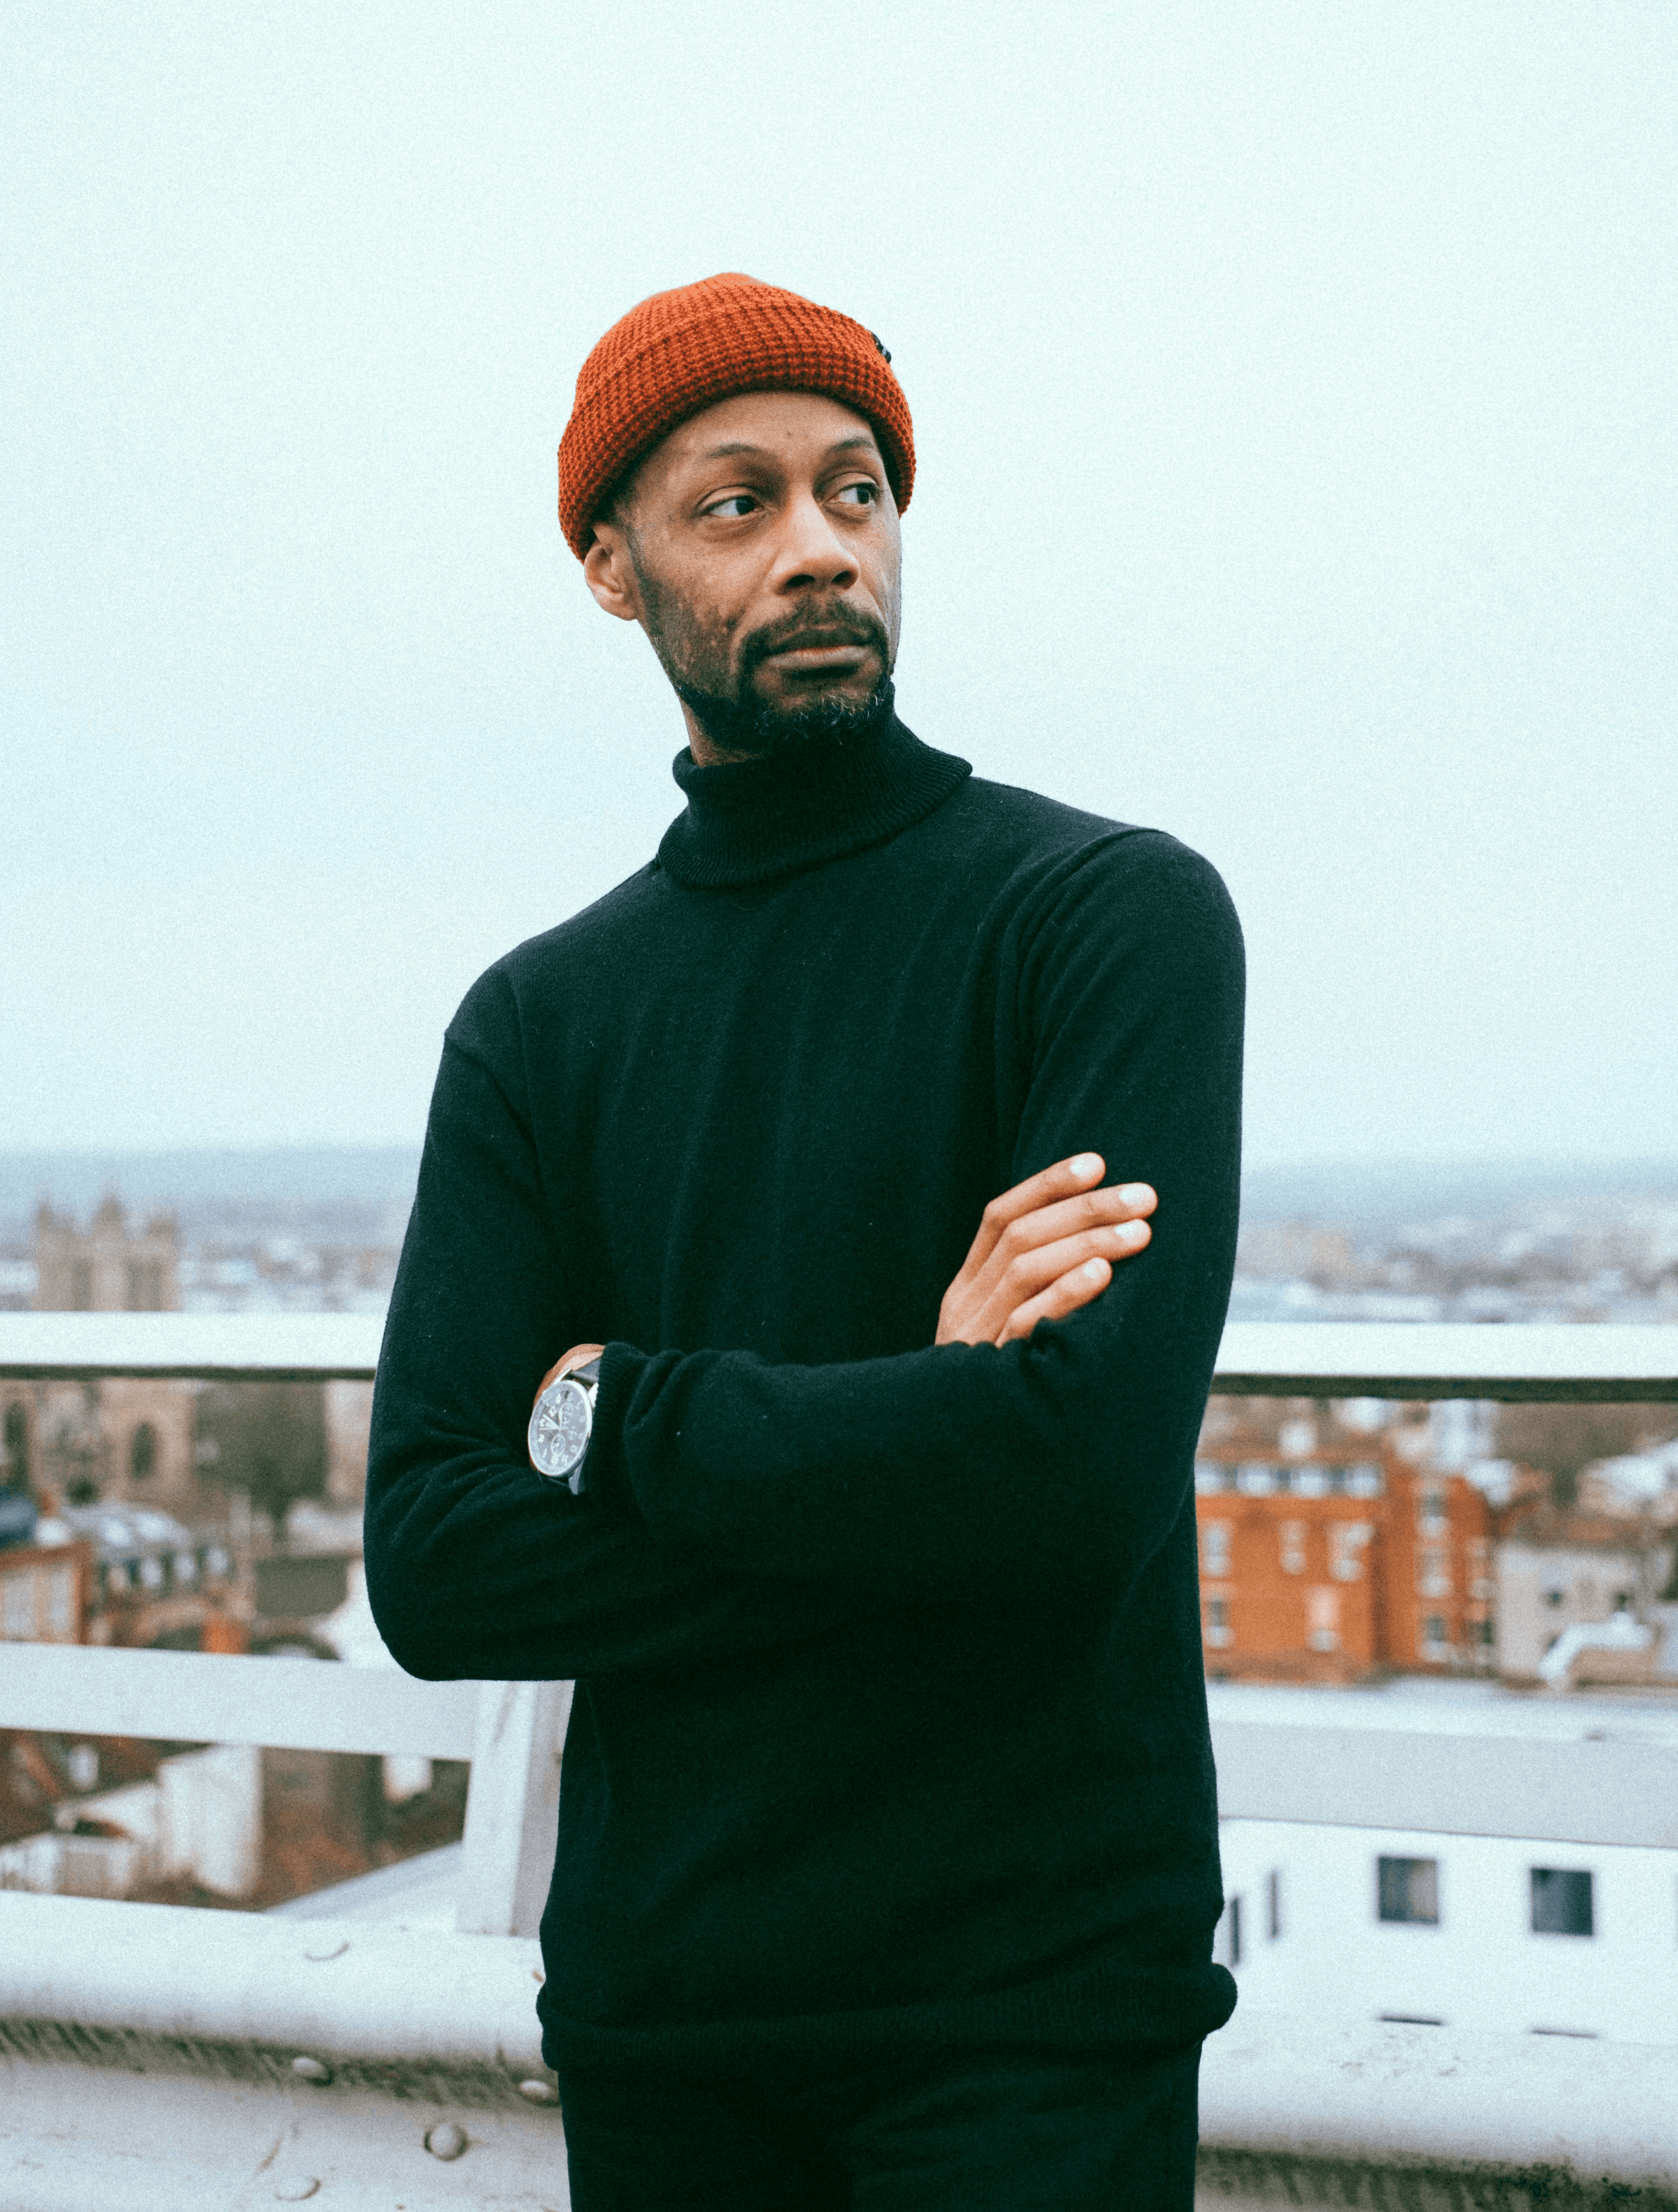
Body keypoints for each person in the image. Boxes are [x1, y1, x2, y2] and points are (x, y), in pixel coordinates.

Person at [366, 271, 1245, 2210]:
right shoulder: (540, 1022)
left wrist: (624, 1421)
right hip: (670, 2024)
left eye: (856, 489)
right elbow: (432, 1561)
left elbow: (1074, 1486)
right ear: (614, 567)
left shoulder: (1104, 917)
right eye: (737, 503)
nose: (822, 548)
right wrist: (926, 1427)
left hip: (1031, 2017)